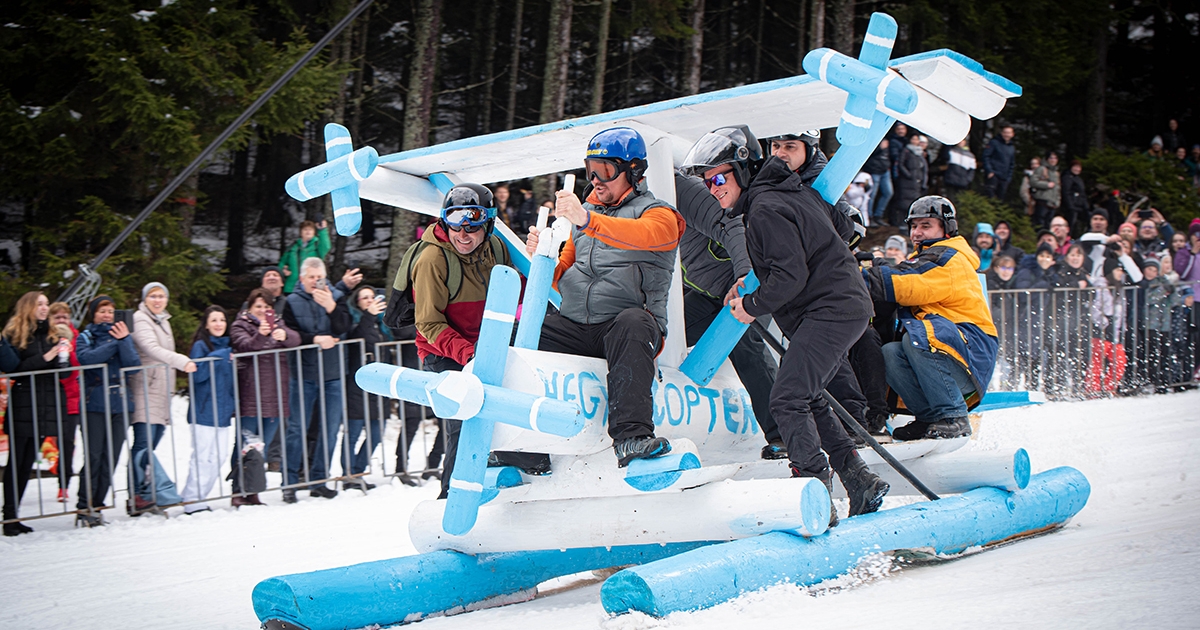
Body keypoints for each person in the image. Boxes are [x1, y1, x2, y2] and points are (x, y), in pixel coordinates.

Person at [683, 125, 889, 522]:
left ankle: (813, 490)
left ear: (742, 170)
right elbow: (832, 233)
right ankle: (859, 479)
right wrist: (753, 282)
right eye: (707, 183)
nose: (712, 190)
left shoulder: (765, 208)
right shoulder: (783, 193)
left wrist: (752, 304)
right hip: (837, 307)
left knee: (786, 399)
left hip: (828, 310)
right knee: (809, 397)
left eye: (719, 179)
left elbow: (790, 276)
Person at [522, 128, 685, 470]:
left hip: (625, 328)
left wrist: (586, 219)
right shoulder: (584, 221)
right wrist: (542, 257)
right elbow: (563, 275)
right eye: (590, 169)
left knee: (632, 322)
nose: (596, 180)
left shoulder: (660, 215)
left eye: (606, 170)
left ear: (634, 171)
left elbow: (641, 235)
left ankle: (631, 436)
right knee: (519, 335)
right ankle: (523, 447)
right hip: (576, 326)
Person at [411, 183, 517, 498]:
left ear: (489, 223)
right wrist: (469, 355)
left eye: (473, 225)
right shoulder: (432, 259)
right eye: (455, 224)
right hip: (443, 349)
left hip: (483, 346)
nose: (463, 234)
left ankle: (507, 480)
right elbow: (428, 322)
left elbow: (515, 288)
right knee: (466, 415)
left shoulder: (496, 249)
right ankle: (452, 495)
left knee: (507, 409)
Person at [864, 196, 998, 440]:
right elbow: (904, 272)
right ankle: (928, 417)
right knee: (891, 352)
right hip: (950, 352)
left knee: (918, 337)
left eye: (926, 225)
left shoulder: (949, 258)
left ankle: (953, 416)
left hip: (970, 354)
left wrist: (860, 277)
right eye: (914, 226)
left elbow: (908, 283)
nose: (917, 232)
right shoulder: (927, 257)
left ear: (946, 229)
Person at [674, 166, 784, 459]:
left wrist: (745, 278)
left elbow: (731, 225)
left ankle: (784, 433)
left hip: (744, 285)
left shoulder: (680, 188)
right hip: (705, 292)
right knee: (662, 332)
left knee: (745, 343)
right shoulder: (633, 205)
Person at [282, 257, 354, 503]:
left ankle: (319, 481)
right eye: (311, 277)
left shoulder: (336, 296)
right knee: (297, 428)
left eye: (319, 277)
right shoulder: (291, 301)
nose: (315, 281)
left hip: (333, 373)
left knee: (330, 430)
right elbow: (290, 334)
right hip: (303, 373)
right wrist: (314, 339)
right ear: (302, 278)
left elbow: (345, 326)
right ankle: (290, 482)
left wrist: (331, 306)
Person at [1, 292, 69, 535]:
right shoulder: (15, 334)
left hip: (45, 404)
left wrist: (64, 357)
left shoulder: (53, 334)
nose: (44, 307)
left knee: (28, 461)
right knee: (16, 462)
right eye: (40, 304)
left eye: (46, 304)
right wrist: (47, 357)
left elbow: (64, 373)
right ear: (28, 306)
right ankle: (9, 515)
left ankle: (14, 516)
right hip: (23, 403)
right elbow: (16, 369)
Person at [73, 296, 141, 527]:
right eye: (102, 311)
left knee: (111, 457)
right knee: (94, 456)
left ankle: (98, 505)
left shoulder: (124, 337)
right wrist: (116, 342)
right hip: (94, 403)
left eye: (111, 311)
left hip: (120, 403)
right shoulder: (87, 336)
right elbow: (87, 359)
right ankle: (85, 505)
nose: (107, 315)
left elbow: (133, 364)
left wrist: (125, 340)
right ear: (93, 314)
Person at [230, 288, 299, 506]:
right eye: (258, 306)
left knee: (263, 446)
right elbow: (245, 346)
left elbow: (295, 339)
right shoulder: (240, 325)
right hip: (250, 393)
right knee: (245, 445)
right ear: (249, 307)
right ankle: (237, 490)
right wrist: (261, 333)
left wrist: (284, 336)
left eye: (267, 306)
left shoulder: (278, 323)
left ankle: (253, 489)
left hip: (276, 395)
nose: (262, 310)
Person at [129, 282, 193, 514]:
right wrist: (181, 361)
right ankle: (136, 494)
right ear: (145, 299)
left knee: (152, 443)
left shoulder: (163, 320)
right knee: (143, 444)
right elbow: (151, 348)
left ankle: (145, 493)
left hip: (160, 390)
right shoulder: (140, 319)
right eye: (153, 296)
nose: (157, 300)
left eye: (161, 296)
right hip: (145, 388)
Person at [332, 285, 391, 491]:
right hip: (358, 385)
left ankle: (357, 471)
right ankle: (349, 475)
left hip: (379, 386)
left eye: (372, 296)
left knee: (376, 434)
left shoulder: (381, 324)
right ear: (357, 302)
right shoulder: (354, 321)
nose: (369, 300)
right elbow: (358, 338)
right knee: (353, 433)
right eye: (364, 297)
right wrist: (368, 315)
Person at [181, 306, 235, 514]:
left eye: (222, 320)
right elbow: (197, 375)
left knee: (219, 457)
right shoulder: (201, 346)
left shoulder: (229, 347)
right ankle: (192, 499)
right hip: (204, 410)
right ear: (206, 324)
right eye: (214, 320)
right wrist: (219, 356)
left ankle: (199, 496)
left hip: (223, 411)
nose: (219, 324)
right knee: (202, 457)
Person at [47, 301, 81, 504]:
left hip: (70, 397)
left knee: (67, 442)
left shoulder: (76, 338)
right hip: (47, 397)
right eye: (57, 317)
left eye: (64, 317)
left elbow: (76, 366)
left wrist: (68, 351)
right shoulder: (45, 337)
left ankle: (64, 484)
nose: (61, 320)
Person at [1087, 258, 1128, 395]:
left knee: (1120, 361)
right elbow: (1093, 308)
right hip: (1102, 328)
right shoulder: (1101, 287)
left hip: (1114, 329)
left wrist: (1121, 326)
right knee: (1097, 362)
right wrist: (1103, 322)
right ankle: (1093, 390)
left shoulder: (1119, 287)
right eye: (1117, 270)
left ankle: (1109, 387)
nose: (1120, 273)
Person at [280, 220, 331, 294]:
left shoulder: (318, 245)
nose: (308, 231)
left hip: (314, 287)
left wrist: (322, 230)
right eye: (305, 229)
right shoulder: (293, 246)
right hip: (291, 287)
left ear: (314, 232)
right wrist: (283, 270)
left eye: (310, 229)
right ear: (301, 232)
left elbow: (326, 246)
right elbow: (282, 262)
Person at [891, 133, 928, 229]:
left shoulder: (920, 153)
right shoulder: (906, 150)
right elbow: (901, 164)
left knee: (913, 203)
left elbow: (923, 168)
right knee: (903, 203)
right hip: (906, 181)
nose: (915, 141)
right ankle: (901, 223)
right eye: (913, 139)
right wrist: (908, 175)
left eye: (917, 139)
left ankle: (909, 224)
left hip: (917, 182)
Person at [982, 125, 1016, 200]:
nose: (1006, 135)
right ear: (1002, 133)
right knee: (989, 196)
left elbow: (1012, 164)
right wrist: (989, 171)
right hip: (993, 174)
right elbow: (986, 156)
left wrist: (1008, 178)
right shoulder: (994, 143)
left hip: (1004, 178)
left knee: (1000, 199)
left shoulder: (1011, 147)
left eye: (1009, 133)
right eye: (1005, 132)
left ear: (1012, 134)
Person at [1030, 152, 1061, 230]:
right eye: (1051, 158)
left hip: (1053, 202)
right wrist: (1046, 185)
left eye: (1055, 158)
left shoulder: (1056, 173)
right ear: (1047, 159)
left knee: (1049, 224)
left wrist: (1058, 201)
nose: (1053, 160)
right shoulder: (1041, 169)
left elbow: (1058, 188)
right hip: (1042, 200)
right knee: (1039, 223)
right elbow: (1033, 182)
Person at [864, 138, 892, 224]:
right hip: (874, 170)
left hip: (885, 171)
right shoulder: (871, 138)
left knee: (888, 193)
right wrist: (880, 148)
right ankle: (869, 217)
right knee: (871, 195)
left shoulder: (887, 139)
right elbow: (867, 153)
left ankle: (878, 215)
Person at [1060, 160, 1088, 233]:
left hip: (1079, 206)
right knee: (1070, 224)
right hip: (1071, 207)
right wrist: (1070, 206)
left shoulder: (1079, 179)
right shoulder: (1067, 178)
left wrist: (1086, 206)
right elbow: (1066, 192)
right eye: (1075, 167)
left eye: (1079, 167)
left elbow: (1082, 193)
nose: (1077, 169)